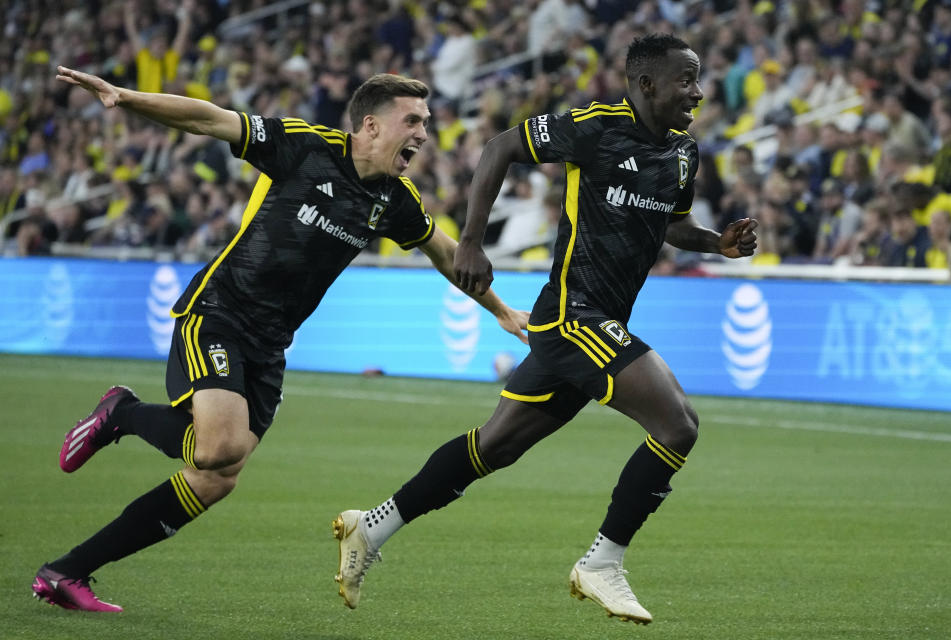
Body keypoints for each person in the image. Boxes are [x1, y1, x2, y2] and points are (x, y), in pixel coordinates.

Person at [33, 66, 529, 612]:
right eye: (412, 120)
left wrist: (501, 310)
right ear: (370, 125)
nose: (422, 134)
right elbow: (207, 118)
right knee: (217, 447)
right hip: (220, 313)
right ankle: (121, 414)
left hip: (271, 345)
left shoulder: (395, 199)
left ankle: (67, 572)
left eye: (427, 123)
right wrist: (124, 97)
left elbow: (444, 252)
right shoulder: (302, 146)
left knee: (217, 478)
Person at [333, 33, 758, 625]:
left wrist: (717, 244)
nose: (698, 91)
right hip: (573, 315)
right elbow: (499, 147)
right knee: (678, 424)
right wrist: (473, 242)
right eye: (685, 80)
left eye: (698, 79)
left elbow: (670, 224)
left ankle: (371, 527)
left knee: (494, 447)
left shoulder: (684, 152)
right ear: (645, 85)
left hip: (597, 323)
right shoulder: (595, 126)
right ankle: (602, 563)